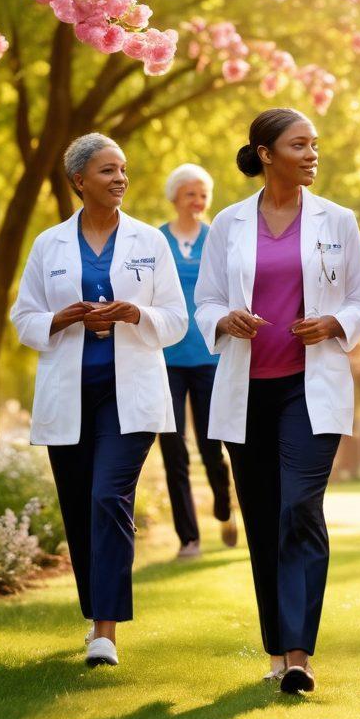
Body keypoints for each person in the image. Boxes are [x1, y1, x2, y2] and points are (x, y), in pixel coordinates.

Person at [195, 108, 360, 695]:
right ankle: (276, 647)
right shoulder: (228, 223)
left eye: (314, 145)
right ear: (266, 154)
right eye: (299, 145)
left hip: (309, 387)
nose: (312, 154)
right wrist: (224, 318)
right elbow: (205, 301)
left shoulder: (338, 220)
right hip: (247, 391)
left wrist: (333, 323)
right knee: (264, 519)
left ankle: (299, 654)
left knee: (300, 508)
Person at [10, 133, 187, 667]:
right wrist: (63, 319)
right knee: (80, 508)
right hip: (69, 396)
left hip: (128, 396)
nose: (120, 179)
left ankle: (107, 630)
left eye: (124, 169)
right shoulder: (49, 245)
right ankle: (95, 616)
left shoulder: (148, 242)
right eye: (108, 171)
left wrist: (135, 314)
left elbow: (176, 321)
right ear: (79, 181)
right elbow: (24, 319)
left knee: (109, 498)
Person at [158, 163, 237, 559]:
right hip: (165, 360)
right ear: (174, 197)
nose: (198, 201)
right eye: (190, 193)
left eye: (203, 194)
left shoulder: (216, 238)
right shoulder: (156, 241)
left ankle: (224, 507)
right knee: (173, 449)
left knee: (211, 447)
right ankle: (188, 538)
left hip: (209, 357)